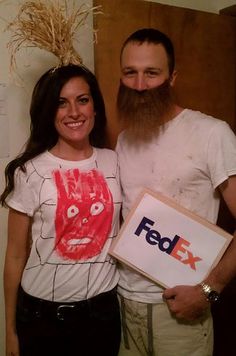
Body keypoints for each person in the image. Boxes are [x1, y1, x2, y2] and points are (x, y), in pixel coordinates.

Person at [115, 28, 236, 356]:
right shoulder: (124, 140)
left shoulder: (212, 133)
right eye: (131, 72)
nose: (140, 85)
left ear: (172, 77)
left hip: (180, 313)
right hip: (124, 306)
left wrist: (210, 290)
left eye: (152, 73)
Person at [1, 64, 122, 356]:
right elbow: (16, 254)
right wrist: (10, 330)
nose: (74, 112)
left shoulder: (115, 161)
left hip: (102, 316)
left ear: (95, 106)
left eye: (82, 100)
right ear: (48, 111)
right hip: (42, 319)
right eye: (61, 103)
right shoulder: (30, 171)